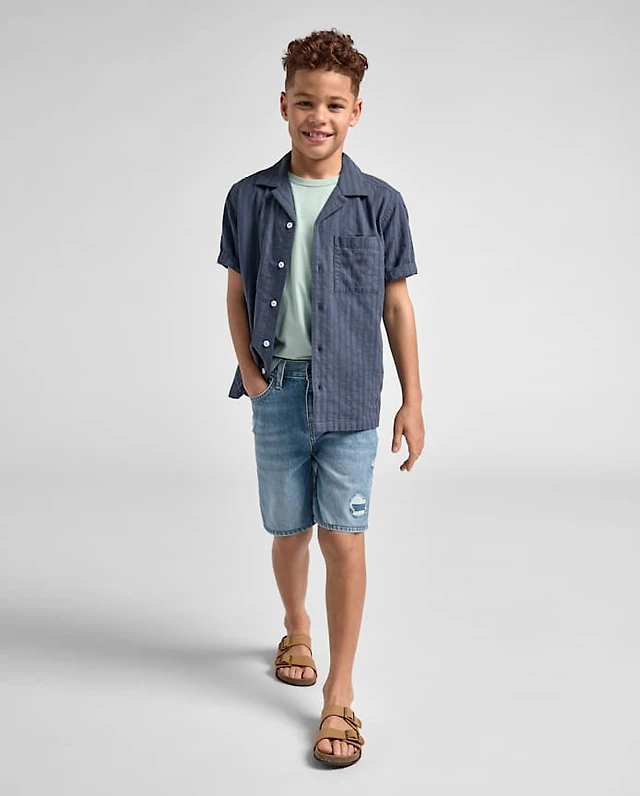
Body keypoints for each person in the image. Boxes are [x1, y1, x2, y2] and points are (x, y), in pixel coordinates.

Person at [216, 28, 424, 767]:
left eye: (335, 104)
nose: (319, 117)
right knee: (288, 529)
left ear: (355, 112)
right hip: (276, 388)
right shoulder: (248, 197)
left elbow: (396, 306)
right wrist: (251, 372)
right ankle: (295, 626)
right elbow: (237, 291)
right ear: (284, 105)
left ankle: (339, 692)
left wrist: (413, 400)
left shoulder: (380, 203)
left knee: (345, 537)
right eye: (306, 102)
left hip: (352, 397)